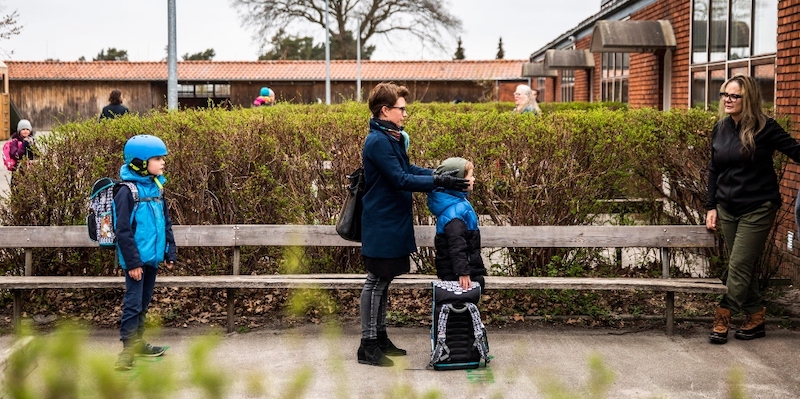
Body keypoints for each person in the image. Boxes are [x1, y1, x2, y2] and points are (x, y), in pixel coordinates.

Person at [358, 82, 469, 367]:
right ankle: (367, 345)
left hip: (391, 221)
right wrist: (439, 181)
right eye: (401, 109)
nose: (405, 114)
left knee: (384, 280)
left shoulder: (390, 137)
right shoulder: (378, 141)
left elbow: (408, 170)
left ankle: (379, 337)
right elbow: (400, 179)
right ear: (386, 110)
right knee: (375, 281)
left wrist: (438, 173)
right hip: (381, 222)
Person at [706, 74, 800, 344]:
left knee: (738, 265)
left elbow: (795, 151)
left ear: (748, 99)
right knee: (743, 266)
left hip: (758, 207)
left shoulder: (766, 128)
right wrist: (711, 206)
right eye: (725, 94)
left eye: (734, 96)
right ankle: (756, 317)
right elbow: (714, 169)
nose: (728, 100)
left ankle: (723, 316)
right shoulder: (721, 128)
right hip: (727, 207)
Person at [114, 134, 177, 371]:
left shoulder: (157, 187)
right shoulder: (127, 191)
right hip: (136, 261)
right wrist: (132, 263)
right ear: (140, 162)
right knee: (133, 303)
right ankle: (127, 350)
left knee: (144, 301)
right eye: (158, 159)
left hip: (152, 258)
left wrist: (170, 251)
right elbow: (123, 231)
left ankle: (138, 342)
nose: (163, 163)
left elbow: (166, 223)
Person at [427, 157, 487, 291]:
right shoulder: (454, 213)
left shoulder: (457, 202)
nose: (473, 179)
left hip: (461, 270)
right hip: (459, 275)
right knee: (461, 306)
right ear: (458, 181)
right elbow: (456, 245)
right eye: (470, 176)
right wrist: (463, 272)